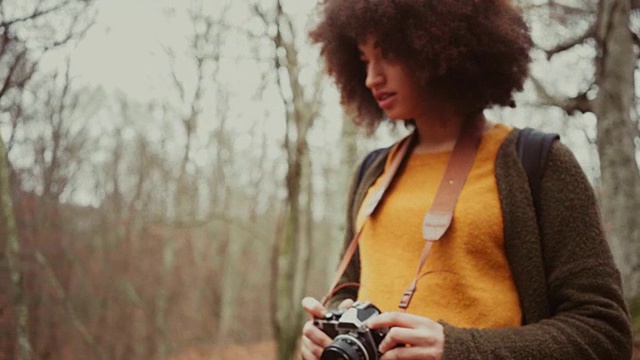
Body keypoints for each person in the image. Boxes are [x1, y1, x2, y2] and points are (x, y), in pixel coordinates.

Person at [300, 0, 634, 359]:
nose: (371, 78)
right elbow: (349, 284)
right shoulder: (373, 171)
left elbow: (604, 331)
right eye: (364, 61)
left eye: (389, 54)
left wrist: (460, 349)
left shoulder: (538, 162)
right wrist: (327, 330)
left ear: (438, 45)